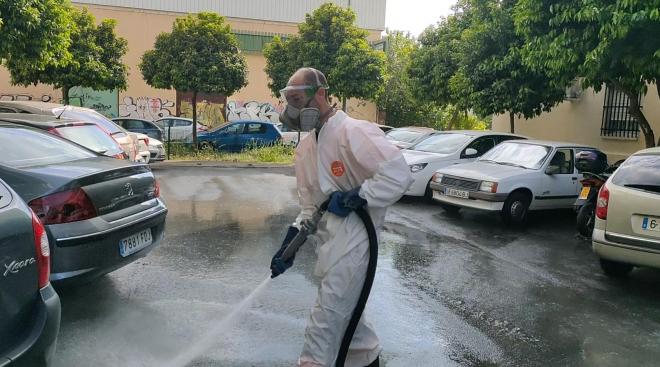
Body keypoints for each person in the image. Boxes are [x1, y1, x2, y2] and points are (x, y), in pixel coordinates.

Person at [270, 67, 413, 367]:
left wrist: (360, 195)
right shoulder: (307, 147)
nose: (293, 107)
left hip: (358, 240)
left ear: (320, 93)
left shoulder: (353, 131)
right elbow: (311, 206)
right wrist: (291, 243)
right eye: (289, 99)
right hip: (330, 242)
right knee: (353, 329)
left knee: (325, 322)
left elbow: (397, 173)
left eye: (298, 98)